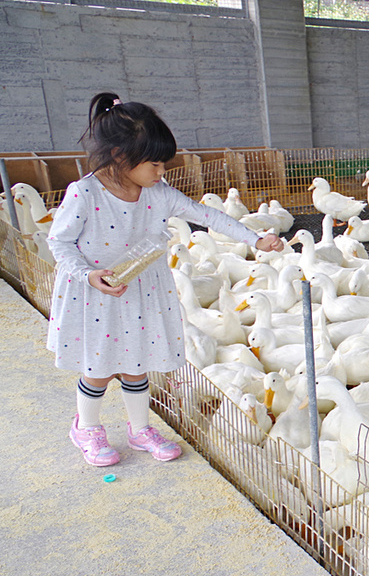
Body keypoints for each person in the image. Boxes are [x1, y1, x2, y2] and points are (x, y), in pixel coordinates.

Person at [45, 92, 286, 466]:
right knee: (98, 367)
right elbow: (59, 242)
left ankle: (139, 428)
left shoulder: (158, 193)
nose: (161, 173)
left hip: (140, 288)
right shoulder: (85, 193)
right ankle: (87, 427)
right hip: (96, 292)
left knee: (136, 362)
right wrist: (88, 275)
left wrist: (254, 239)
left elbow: (207, 216)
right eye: (155, 165)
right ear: (120, 156)